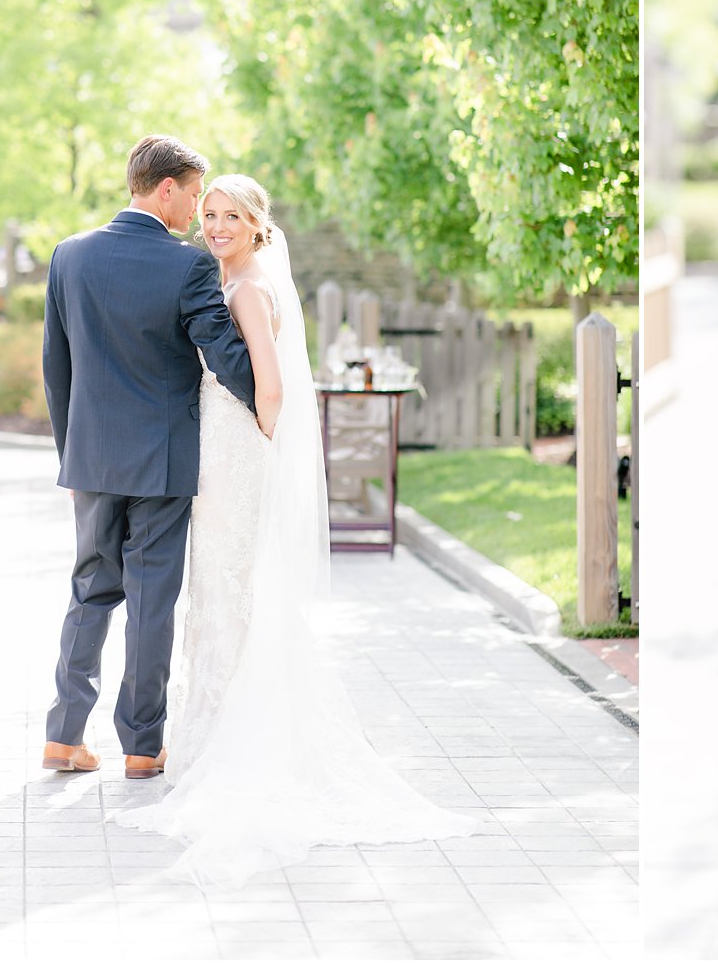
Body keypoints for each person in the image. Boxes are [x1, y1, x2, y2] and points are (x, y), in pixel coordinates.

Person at [110, 174, 477, 886]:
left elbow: (269, 385)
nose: (215, 225)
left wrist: (261, 456)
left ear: (257, 226)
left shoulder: (246, 288)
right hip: (225, 450)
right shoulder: (235, 276)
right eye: (209, 213)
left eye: (231, 216)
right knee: (225, 594)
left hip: (234, 453)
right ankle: (215, 740)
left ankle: (230, 746)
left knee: (227, 594)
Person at [39, 134, 257, 781]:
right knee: (151, 601)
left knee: (89, 592)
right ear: (167, 189)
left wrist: (72, 450)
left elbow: (57, 370)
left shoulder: (68, 256)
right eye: (194, 196)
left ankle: (63, 736)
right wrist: (274, 403)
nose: (196, 212)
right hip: (163, 464)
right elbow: (223, 353)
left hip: (91, 460)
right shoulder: (186, 266)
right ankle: (141, 745)